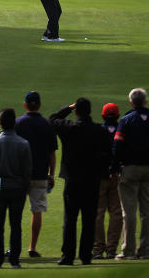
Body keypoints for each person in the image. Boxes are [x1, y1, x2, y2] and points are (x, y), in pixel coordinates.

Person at [49, 98, 110, 265]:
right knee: (89, 219)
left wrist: (67, 108)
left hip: (73, 179)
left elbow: (53, 118)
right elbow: (108, 154)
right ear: (90, 112)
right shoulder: (99, 130)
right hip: (92, 180)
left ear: (76, 111)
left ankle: (68, 256)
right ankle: (85, 255)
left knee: (70, 219)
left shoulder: (69, 128)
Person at [113, 88, 149, 259]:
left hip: (130, 168)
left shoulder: (126, 120)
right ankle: (144, 250)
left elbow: (117, 146)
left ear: (131, 102)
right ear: (145, 102)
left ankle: (128, 250)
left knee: (129, 211)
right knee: (147, 211)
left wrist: (115, 167)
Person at [0, 108, 32, 270]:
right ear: (14, 123)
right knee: (15, 224)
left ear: (0, 123)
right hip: (17, 187)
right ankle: (14, 260)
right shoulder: (23, 144)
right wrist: (24, 188)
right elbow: (27, 171)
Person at [15, 91, 57, 258]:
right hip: (40, 174)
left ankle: (14, 246)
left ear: (25, 104)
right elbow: (52, 153)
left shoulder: (17, 123)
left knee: (15, 211)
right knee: (37, 211)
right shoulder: (47, 125)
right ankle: (32, 247)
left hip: (19, 175)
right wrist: (51, 174)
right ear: (39, 105)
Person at [92, 103, 122, 259]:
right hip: (117, 176)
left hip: (99, 176)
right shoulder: (122, 129)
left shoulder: (98, 130)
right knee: (116, 213)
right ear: (117, 115)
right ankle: (111, 249)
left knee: (98, 213)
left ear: (103, 115)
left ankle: (98, 249)